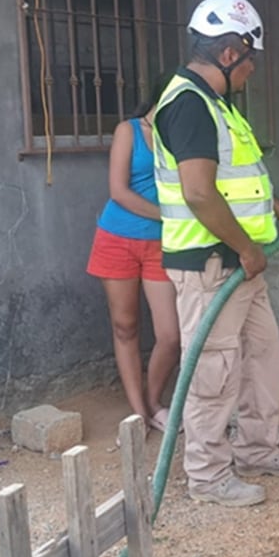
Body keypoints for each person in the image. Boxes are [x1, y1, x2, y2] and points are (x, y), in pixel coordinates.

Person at [152, 0, 279, 507]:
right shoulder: (188, 105)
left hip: (240, 264)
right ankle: (207, 476)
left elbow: (246, 184)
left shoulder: (219, 107)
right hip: (211, 265)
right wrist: (247, 248)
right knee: (213, 372)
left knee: (261, 358)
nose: (252, 71)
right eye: (251, 60)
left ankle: (257, 449)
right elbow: (199, 192)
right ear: (230, 53)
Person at [87, 79, 181, 436]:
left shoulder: (182, 135)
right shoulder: (129, 131)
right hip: (117, 238)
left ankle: (154, 401)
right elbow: (119, 192)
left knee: (170, 334)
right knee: (125, 327)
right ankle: (139, 412)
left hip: (163, 244)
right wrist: (168, 217)